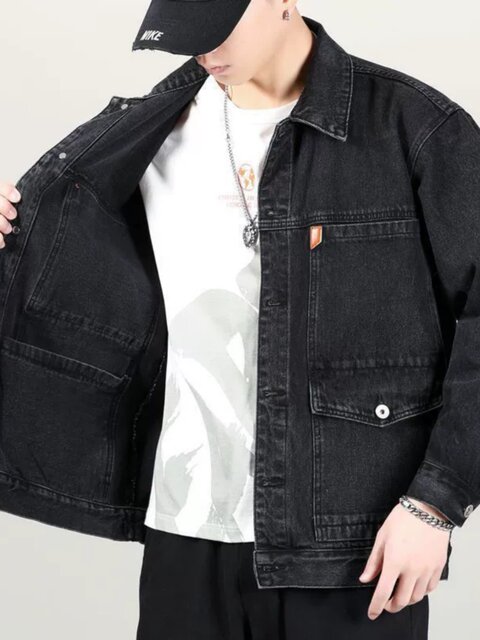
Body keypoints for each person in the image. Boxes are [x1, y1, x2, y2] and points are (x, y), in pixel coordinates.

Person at [1, 1, 479, 639]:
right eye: (189, 35)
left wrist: (436, 504)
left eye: (219, 27)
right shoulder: (146, 132)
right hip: (184, 535)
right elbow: (62, 304)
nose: (204, 51)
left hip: (349, 545)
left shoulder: (415, 128)